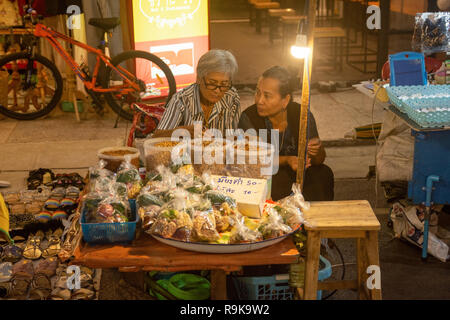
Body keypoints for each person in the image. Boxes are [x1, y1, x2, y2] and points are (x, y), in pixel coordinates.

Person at [238, 66, 334, 201]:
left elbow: (318, 159)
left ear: (285, 100)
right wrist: (287, 160)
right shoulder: (249, 118)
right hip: (266, 172)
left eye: (267, 96)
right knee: (273, 182)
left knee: (323, 173)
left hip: (298, 171)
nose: (259, 100)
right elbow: (252, 161)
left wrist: (315, 151)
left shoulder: (301, 114)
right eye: (258, 93)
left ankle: (316, 218)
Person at [153, 49, 240, 138]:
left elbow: (233, 137)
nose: (217, 90)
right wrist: (182, 131)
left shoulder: (231, 97)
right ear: (198, 78)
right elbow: (156, 137)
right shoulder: (181, 100)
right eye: (212, 83)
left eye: (224, 84)